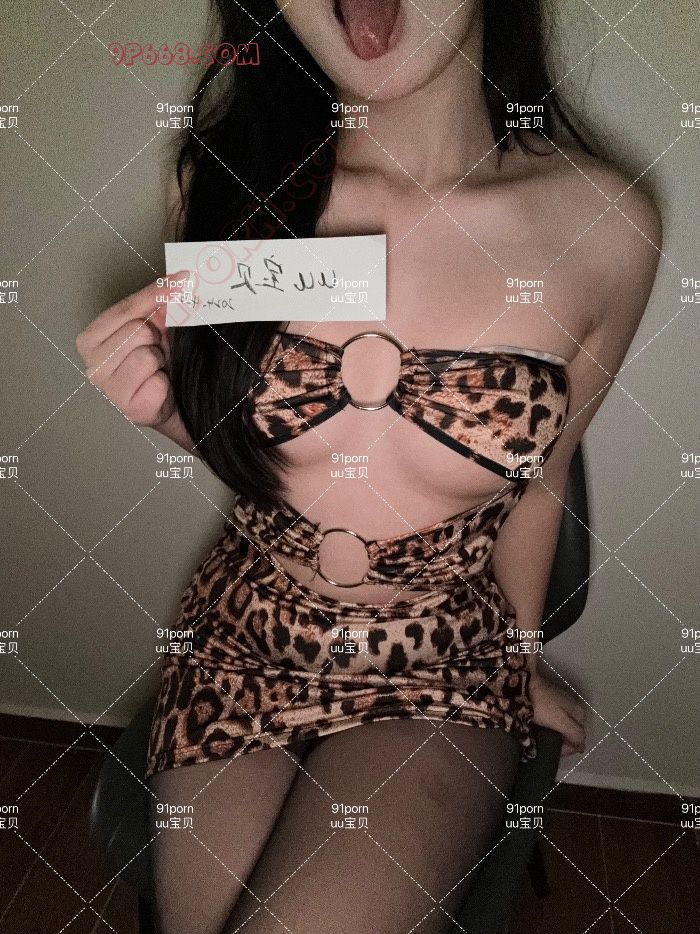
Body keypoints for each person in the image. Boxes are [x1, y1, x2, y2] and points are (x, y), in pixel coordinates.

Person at [76, 1, 662, 931]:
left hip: (443, 659)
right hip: (243, 635)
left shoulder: (606, 228)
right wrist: (170, 414)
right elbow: (263, 455)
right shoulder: (225, 180)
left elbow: (540, 479)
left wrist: (517, 661)